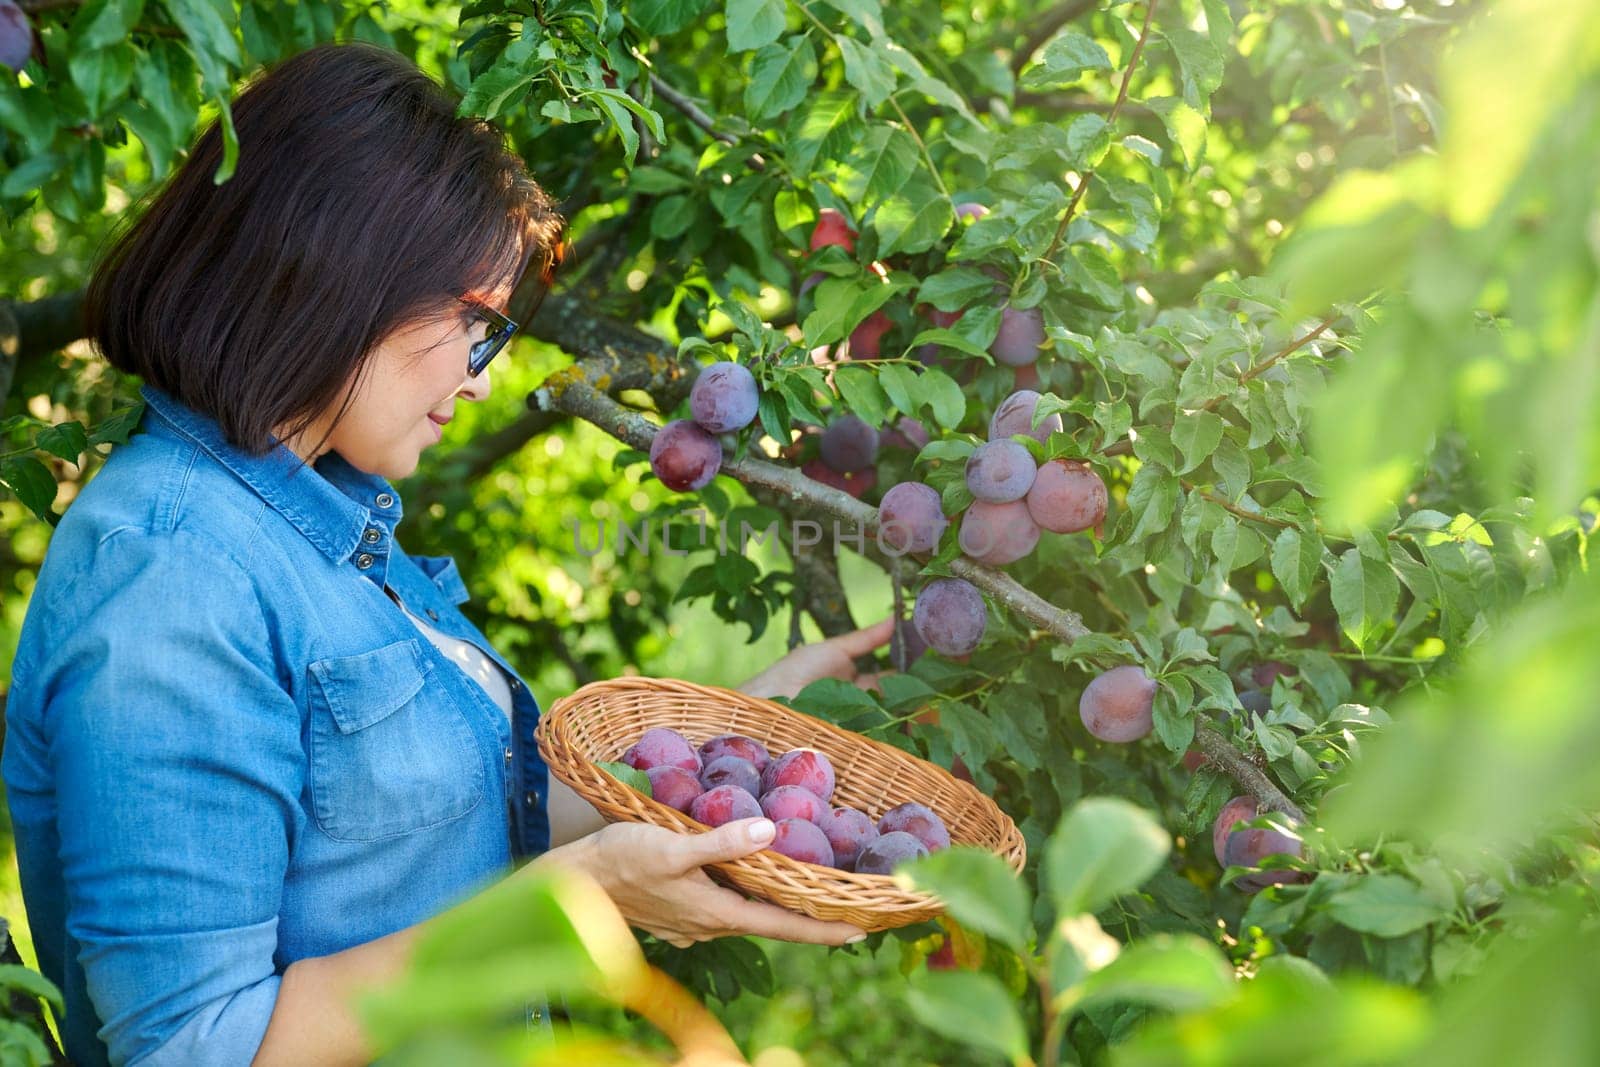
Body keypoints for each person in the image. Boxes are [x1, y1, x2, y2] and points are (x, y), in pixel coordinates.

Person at [1, 42, 892, 1067]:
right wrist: (581, 895)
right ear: (340, 267)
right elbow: (197, 1043)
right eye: (479, 325)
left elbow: (448, 828)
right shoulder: (172, 572)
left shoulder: (317, 523)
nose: (479, 379)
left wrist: (728, 754)